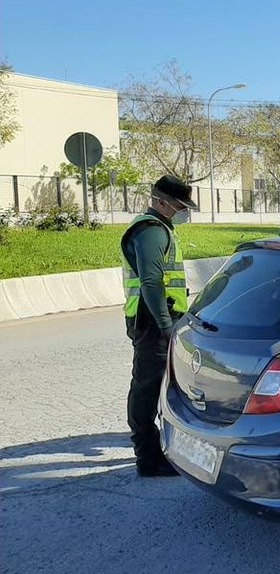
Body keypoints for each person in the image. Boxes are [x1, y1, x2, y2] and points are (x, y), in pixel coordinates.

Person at [120, 175, 196, 477]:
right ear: (160, 201)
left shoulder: (161, 228)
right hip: (153, 318)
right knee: (147, 387)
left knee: (160, 384)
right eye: (179, 205)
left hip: (159, 316)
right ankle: (147, 456)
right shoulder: (150, 232)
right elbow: (152, 282)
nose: (183, 210)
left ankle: (159, 446)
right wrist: (165, 326)